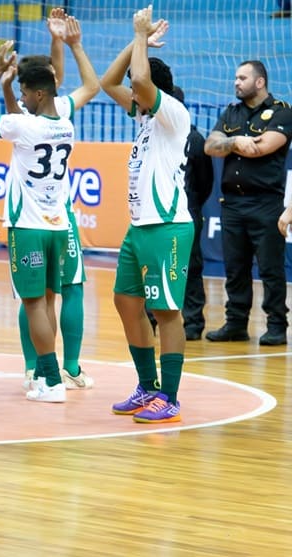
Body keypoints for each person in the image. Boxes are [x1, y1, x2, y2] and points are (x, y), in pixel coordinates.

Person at [100, 5, 194, 423]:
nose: (131, 96)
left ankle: (169, 396)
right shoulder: (143, 114)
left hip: (168, 227)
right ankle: (147, 386)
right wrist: (135, 42)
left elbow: (137, 79)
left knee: (167, 312)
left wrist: (141, 35)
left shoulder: (172, 113)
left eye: (139, 92)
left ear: (154, 90)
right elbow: (108, 82)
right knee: (125, 301)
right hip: (139, 228)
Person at [1, 9, 101, 391]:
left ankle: (62, 366)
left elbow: (54, 82)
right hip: (53, 217)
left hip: (48, 216)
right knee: (44, 294)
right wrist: (65, 42)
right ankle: (40, 366)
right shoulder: (50, 115)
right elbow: (73, 83)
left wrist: (57, 41)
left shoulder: (32, 115)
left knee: (50, 292)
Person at [0, 39, 76, 403]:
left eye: (24, 92)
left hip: (28, 228)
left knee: (32, 304)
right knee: (48, 301)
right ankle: (51, 375)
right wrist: (10, 86)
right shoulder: (65, 120)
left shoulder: (23, 127)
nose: (23, 97)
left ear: (36, 92)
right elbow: (23, 116)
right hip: (58, 225)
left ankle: (49, 380)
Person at [203, 60, 292, 346]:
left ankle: (277, 325)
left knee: (270, 268)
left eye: (242, 78)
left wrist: (231, 141)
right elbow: (210, 145)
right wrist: (236, 141)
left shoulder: (282, 111)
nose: (236, 82)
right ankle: (236, 324)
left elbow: (264, 147)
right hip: (232, 203)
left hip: (265, 202)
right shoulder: (231, 111)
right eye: (235, 78)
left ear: (260, 81)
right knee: (235, 267)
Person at [171, 86, 215, 341]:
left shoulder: (195, 139)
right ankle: (152, 318)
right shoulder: (153, 134)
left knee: (191, 266)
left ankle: (194, 322)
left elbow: (205, 180)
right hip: (159, 212)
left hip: (188, 210)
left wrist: (192, 204)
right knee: (156, 265)